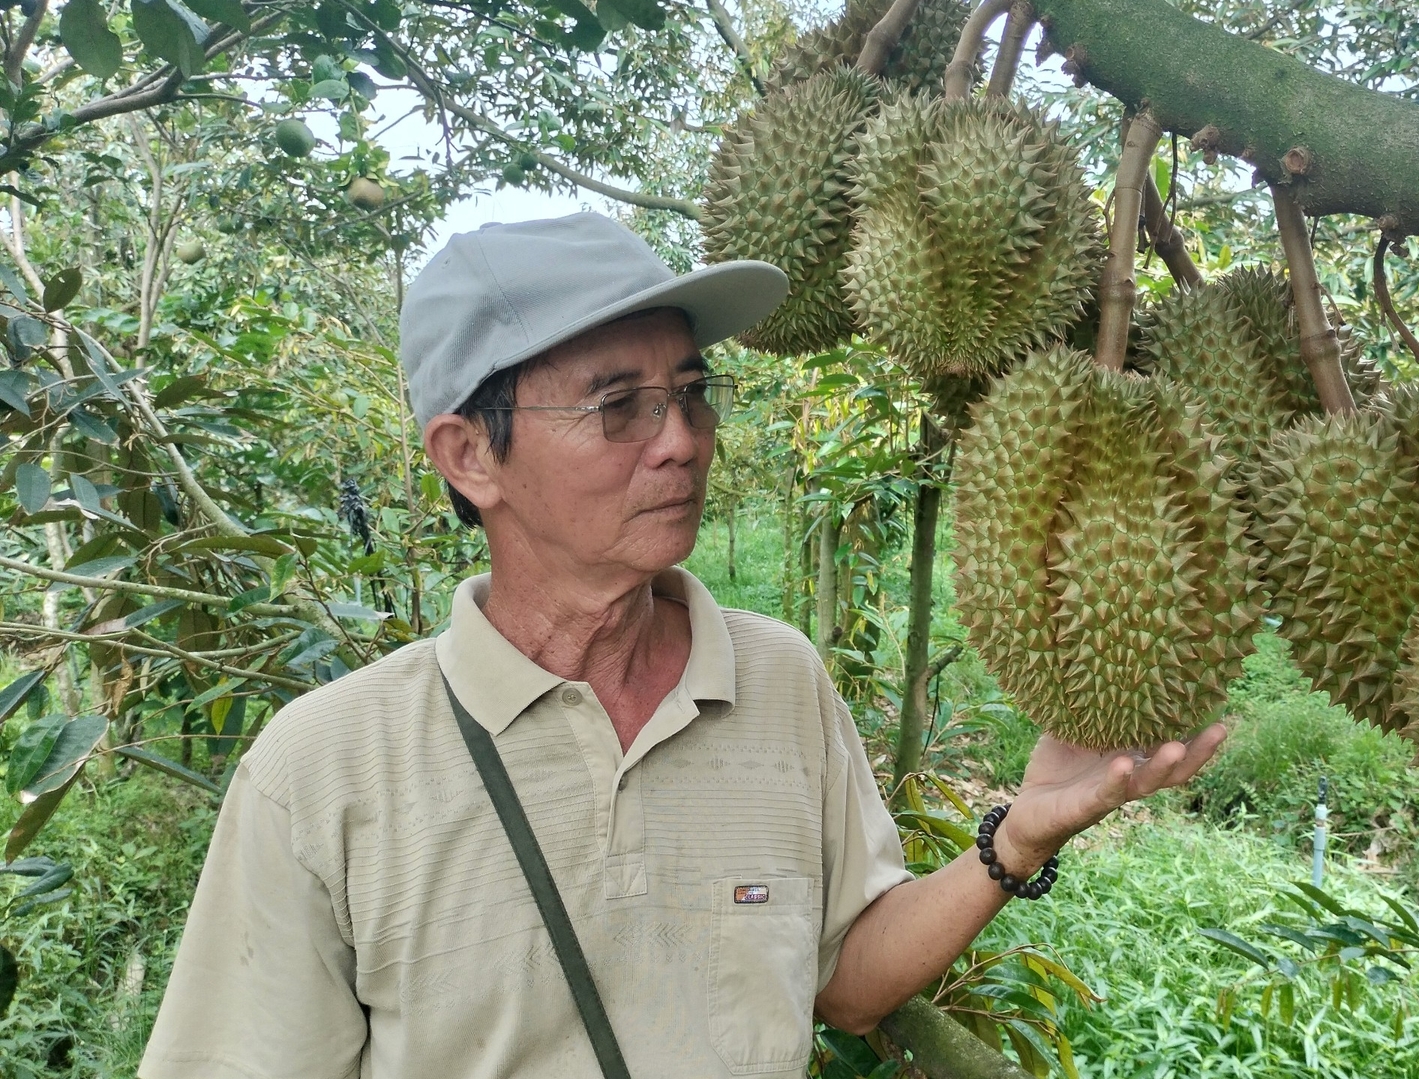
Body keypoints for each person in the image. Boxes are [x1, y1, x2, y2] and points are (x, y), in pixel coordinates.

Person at [139, 212, 1226, 1079]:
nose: (684, 441)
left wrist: (1017, 838)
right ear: (470, 455)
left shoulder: (781, 679)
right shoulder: (321, 768)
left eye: (694, 393)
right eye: (620, 406)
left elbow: (847, 980)